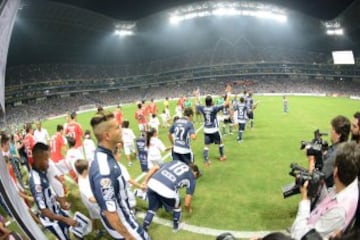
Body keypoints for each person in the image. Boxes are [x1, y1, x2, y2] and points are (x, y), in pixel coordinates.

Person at [89, 111, 149, 240]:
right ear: (107, 135)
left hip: (125, 220)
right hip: (126, 225)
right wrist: (129, 236)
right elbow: (110, 213)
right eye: (117, 127)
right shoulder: (105, 170)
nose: (121, 129)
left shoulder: (103, 156)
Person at [290, 142, 360, 240]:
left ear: (335, 171)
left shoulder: (339, 211)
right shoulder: (350, 185)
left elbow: (300, 236)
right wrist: (316, 185)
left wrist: (305, 199)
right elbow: (326, 202)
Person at [29, 143, 77, 240]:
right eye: (46, 159)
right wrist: (65, 219)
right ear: (38, 159)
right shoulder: (36, 182)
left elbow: (47, 194)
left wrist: (60, 201)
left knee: (71, 230)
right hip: (52, 220)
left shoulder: (42, 171)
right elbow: (44, 210)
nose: (48, 163)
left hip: (57, 212)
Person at [142, 161, 201, 232]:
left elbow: (155, 167)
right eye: (197, 175)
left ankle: (144, 229)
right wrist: (189, 210)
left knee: (152, 209)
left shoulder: (176, 162)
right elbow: (186, 204)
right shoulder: (192, 178)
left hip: (152, 182)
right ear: (195, 172)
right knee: (177, 206)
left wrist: (145, 182)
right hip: (167, 190)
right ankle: (176, 227)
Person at [310, 115, 351, 187]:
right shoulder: (344, 147)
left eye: (332, 129)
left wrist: (311, 159)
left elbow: (317, 178)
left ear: (338, 134)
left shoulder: (335, 154)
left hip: (327, 192)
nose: (330, 131)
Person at [195, 91, 229, 166]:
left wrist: (196, 95)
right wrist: (228, 93)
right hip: (214, 129)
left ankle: (206, 161)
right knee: (220, 142)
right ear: (211, 102)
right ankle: (222, 156)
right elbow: (225, 103)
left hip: (206, 129)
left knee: (206, 146)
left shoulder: (203, 108)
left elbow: (196, 104)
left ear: (205, 102)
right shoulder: (214, 108)